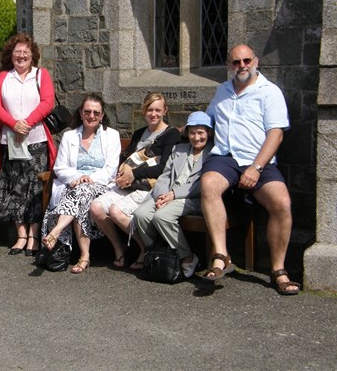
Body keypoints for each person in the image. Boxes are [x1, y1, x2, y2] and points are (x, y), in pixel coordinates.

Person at [200, 44, 300, 295]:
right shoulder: (221, 91)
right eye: (236, 62)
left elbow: (276, 134)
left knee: (282, 202)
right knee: (209, 183)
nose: (242, 66)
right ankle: (221, 256)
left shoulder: (269, 92)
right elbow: (207, 120)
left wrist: (256, 167)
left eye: (246, 61)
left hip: (258, 159)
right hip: (226, 157)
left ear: (255, 61)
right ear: (228, 66)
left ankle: (278, 270)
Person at [90, 92, 181, 270]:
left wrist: (134, 174)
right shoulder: (139, 133)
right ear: (144, 111)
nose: (153, 114)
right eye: (149, 109)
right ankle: (119, 248)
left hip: (150, 187)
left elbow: (164, 168)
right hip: (129, 184)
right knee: (96, 207)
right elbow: (127, 160)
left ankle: (146, 249)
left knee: (116, 211)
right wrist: (122, 175)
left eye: (157, 110)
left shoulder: (171, 135)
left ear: (165, 111)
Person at [0, 33, 57, 256]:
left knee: (35, 189)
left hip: (35, 139)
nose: (21, 55)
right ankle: (20, 235)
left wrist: (27, 123)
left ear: (33, 55)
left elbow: (48, 102)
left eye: (25, 52)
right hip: (10, 142)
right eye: (17, 52)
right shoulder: (2, 78)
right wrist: (13, 123)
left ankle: (34, 236)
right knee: (14, 188)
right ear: (11, 55)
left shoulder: (41, 75)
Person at [40, 95, 120, 274]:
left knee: (83, 191)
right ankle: (85, 255)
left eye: (96, 112)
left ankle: (58, 231)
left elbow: (111, 170)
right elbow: (60, 167)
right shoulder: (69, 136)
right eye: (87, 112)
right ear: (81, 113)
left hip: (101, 185)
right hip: (75, 186)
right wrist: (78, 177)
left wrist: (88, 179)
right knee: (82, 196)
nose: (91, 115)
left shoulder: (112, 136)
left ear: (102, 115)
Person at [132, 111, 214, 278]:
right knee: (140, 214)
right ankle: (160, 254)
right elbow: (165, 175)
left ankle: (188, 257)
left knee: (161, 217)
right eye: (192, 132)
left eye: (201, 132)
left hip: (190, 198)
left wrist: (173, 194)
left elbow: (200, 185)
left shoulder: (213, 153)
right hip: (166, 195)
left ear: (209, 133)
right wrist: (163, 195)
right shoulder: (179, 149)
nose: (196, 137)